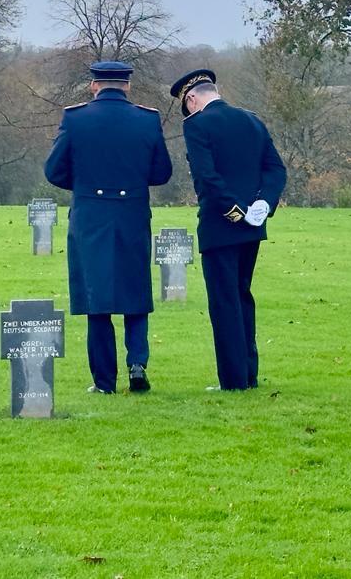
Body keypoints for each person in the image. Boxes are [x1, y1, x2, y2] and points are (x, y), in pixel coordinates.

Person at [44, 60, 173, 393]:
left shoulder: (75, 119)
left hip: (90, 217)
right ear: (127, 86)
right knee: (135, 292)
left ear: (93, 85)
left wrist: (86, 183)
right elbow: (161, 173)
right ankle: (137, 363)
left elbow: (53, 171)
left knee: (96, 297)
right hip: (131, 213)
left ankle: (104, 382)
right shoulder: (147, 119)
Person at [169, 69, 286, 391]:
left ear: (191, 98)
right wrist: (263, 204)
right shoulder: (252, 120)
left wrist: (235, 211)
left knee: (224, 302)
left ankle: (233, 381)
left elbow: (207, 177)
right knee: (242, 296)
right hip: (253, 227)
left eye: (187, 105)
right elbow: (275, 168)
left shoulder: (196, 124)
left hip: (222, 224)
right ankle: (248, 373)